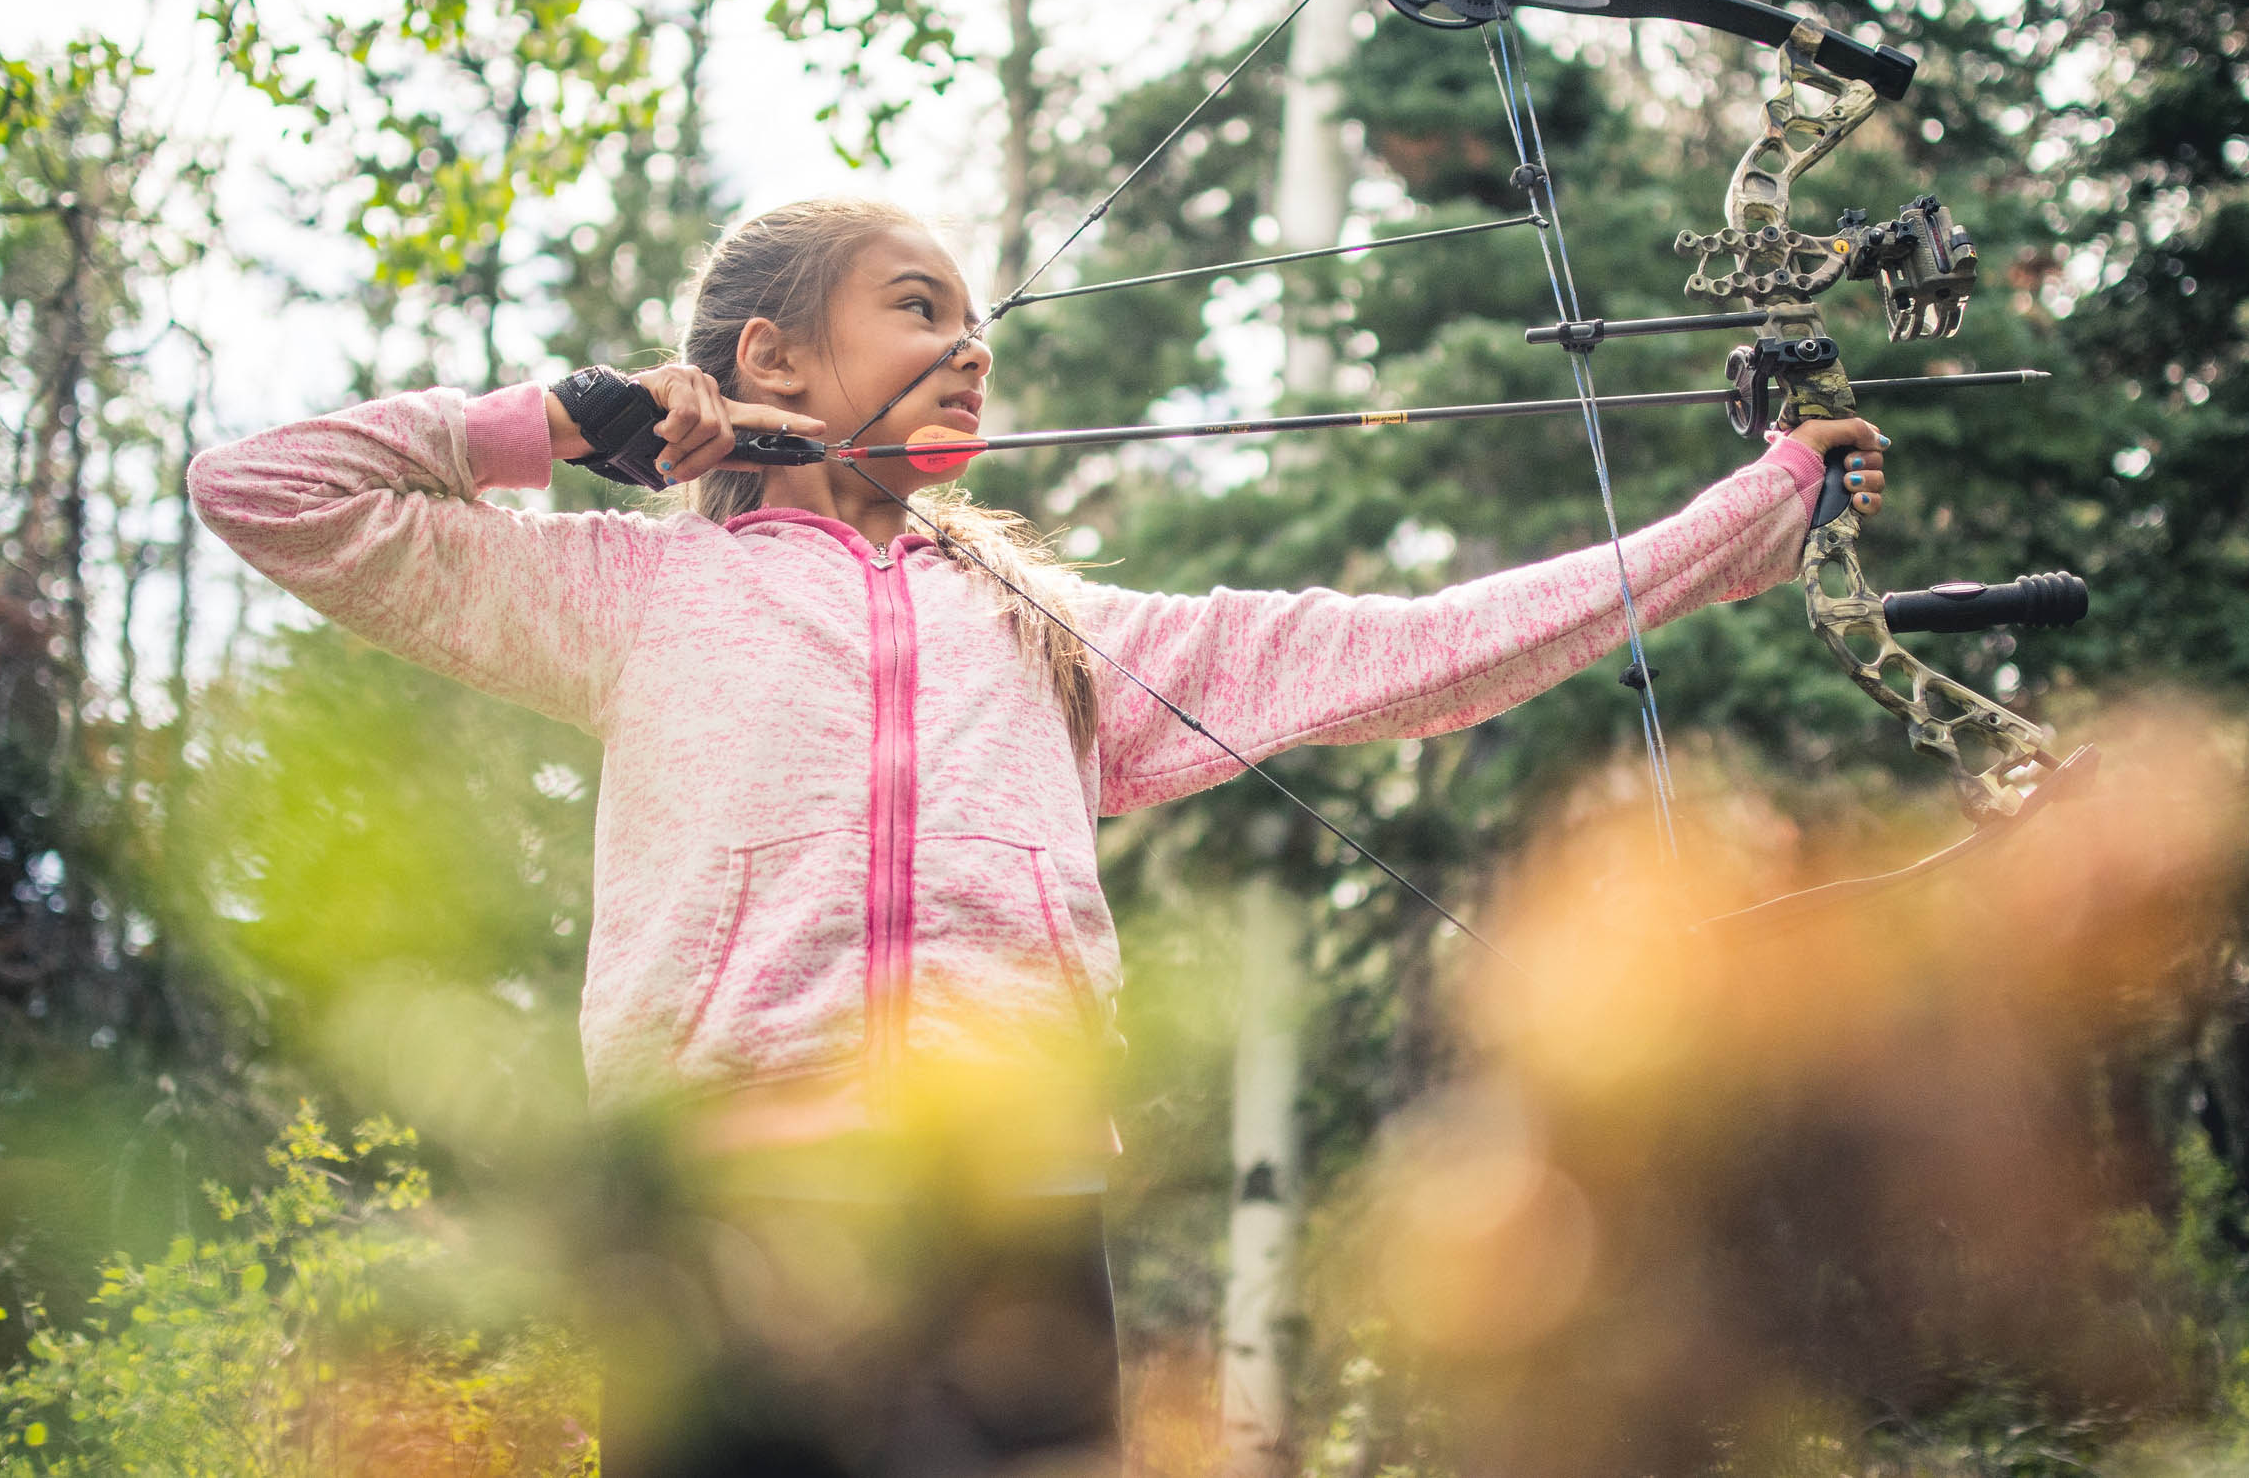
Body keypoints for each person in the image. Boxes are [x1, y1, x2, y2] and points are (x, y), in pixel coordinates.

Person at [187, 194, 1887, 1477]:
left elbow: (1417, 653)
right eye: (920, 307)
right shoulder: (636, 594)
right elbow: (264, 490)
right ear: (767, 360)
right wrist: (552, 425)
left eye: (977, 320)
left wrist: (1749, 517)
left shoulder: (1053, 633)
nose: (974, 344)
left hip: (1014, 1203)